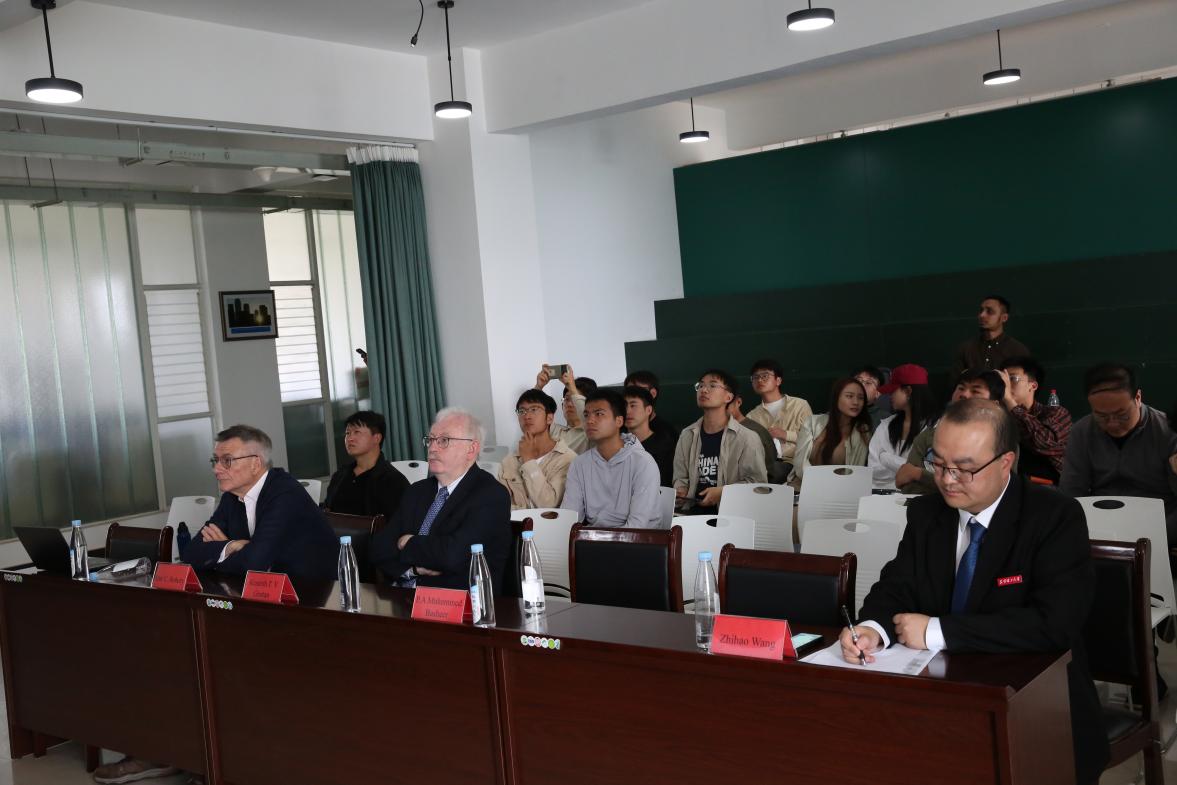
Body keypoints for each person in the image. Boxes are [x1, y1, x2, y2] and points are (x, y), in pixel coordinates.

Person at [841, 398, 1108, 784]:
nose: (948, 480)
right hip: (944, 701)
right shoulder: (928, 513)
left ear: (1005, 462)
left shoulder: (1054, 516)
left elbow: (1054, 623)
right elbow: (896, 587)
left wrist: (938, 631)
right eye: (938, 463)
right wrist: (873, 629)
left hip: (1040, 709)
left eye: (964, 469)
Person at [369, 408, 511, 589]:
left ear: (471, 449)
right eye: (430, 440)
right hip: (403, 597)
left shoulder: (490, 495)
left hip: (458, 601)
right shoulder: (417, 491)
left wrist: (407, 542)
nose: (432, 448)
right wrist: (414, 569)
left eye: (444, 440)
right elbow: (379, 549)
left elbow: (452, 556)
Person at [182, 424, 337, 579]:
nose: (216, 469)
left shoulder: (285, 493)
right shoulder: (231, 497)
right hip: (267, 586)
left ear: (255, 464)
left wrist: (219, 555)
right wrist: (231, 546)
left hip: (317, 588)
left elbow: (253, 564)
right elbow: (190, 553)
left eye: (227, 460)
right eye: (215, 460)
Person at [1060, 363, 1177, 541]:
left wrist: (1157, 535)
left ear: (1138, 397)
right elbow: (1071, 494)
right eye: (1101, 416)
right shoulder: (1081, 432)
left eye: (1122, 414)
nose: (1113, 423)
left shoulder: (1168, 432)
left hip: (1159, 527)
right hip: (1100, 527)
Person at [896, 368, 1008, 495]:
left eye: (975, 391)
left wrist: (918, 474)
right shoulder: (929, 435)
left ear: (994, 405)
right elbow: (907, 485)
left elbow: (992, 491)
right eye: (961, 388)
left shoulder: (1001, 443)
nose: (964, 394)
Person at [563, 388, 663, 527]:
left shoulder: (643, 462)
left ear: (619, 421)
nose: (590, 421)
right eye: (586, 415)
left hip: (640, 538)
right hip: (594, 537)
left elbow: (637, 525)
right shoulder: (579, 464)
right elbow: (569, 517)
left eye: (599, 414)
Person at [673, 369, 767, 515]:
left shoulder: (747, 438)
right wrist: (681, 489)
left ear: (728, 397)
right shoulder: (687, 435)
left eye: (712, 385)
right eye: (701, 385)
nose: (704, 390)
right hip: (691, 513)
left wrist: (723, 492)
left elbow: (758, 485)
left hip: (732, 515)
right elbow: (680, 477)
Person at [322, 411, 410, 522]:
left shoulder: (393, 480)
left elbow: (403, 523)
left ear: (376, 438)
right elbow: (327, 511)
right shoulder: (340, 475)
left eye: (357, 432)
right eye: (348, 433)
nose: (350, 438)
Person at [995, 356, 1071, 484]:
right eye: (1003, 380)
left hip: (1050, 485)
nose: (1006, 385)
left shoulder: (1056, 413)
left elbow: (1045, 443)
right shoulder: (997, 415)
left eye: (1013, 379)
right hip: (1007, 484)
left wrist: (1010, 402)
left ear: (1033, 386)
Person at [498, 389, 577, 509]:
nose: (527, 416)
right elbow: (499, 506)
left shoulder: (567, 459)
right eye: (522, 411)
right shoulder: (508, 461)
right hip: (513, 522)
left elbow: (548, 505)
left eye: (534, 409)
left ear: (549, 418)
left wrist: (529, 461)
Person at [789, 378, 873, 487]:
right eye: (849, 396)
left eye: (860, 398)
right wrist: (816, 484)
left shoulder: (862, 431)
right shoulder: (812, 422)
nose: (856, 402)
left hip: (841, 489)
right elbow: (800, 463)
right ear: (836, 398)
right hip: (804, 484)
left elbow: (855, 473)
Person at [867, 364, 940, 490]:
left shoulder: (937, 427)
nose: (890, 396)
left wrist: (885, 458)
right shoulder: (886, 425)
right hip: (882, 495)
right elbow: (873, 470)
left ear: (908, 391)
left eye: (893, 391)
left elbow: (931, 471)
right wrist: (910, 470)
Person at [745, 358, 812, 480]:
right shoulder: (751, 416)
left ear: (778, 380)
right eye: (755, 377)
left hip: (796, 463)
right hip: (764, 465)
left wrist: (786, 434)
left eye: (765, 376)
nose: (759, 380)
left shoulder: (800, 405)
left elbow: (813, 439)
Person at [953, 294, 1030, 375]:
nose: (982, 315)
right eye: (981, 311)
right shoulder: (966, 349)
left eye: (990, 311)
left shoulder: (1018, 351)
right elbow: (955, 380)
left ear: (1004, 318)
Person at [535, 364, 595, 454]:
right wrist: (538, 387)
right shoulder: (554, 430)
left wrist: (572, 387)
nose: (569, 404)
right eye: (567, 399)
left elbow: (590, 418)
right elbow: (533, 416)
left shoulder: (592, 433)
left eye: (574, 399)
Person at [623, 385, 675, 486]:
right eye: (624, 406)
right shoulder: (616, 444)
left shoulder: (664, 445)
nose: (627, 411)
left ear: (648, 410)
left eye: (633, 406)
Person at [726, 392, 776, 482]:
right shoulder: (708, 430)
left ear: (738, 402)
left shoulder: (755, 432)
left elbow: (767, 472)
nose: (721, 410)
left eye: (726, 405)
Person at [624, 369, 678, 438]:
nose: (631, 396)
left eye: (638, 391)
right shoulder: (619, 428)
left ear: (653, 393)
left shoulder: (667, 433)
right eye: (629, 391)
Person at [854, 365, 893, 430]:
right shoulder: (840, 413)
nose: (861, 385)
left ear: (878, 393)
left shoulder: (887, 420)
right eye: (858, 380)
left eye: (868, 383)